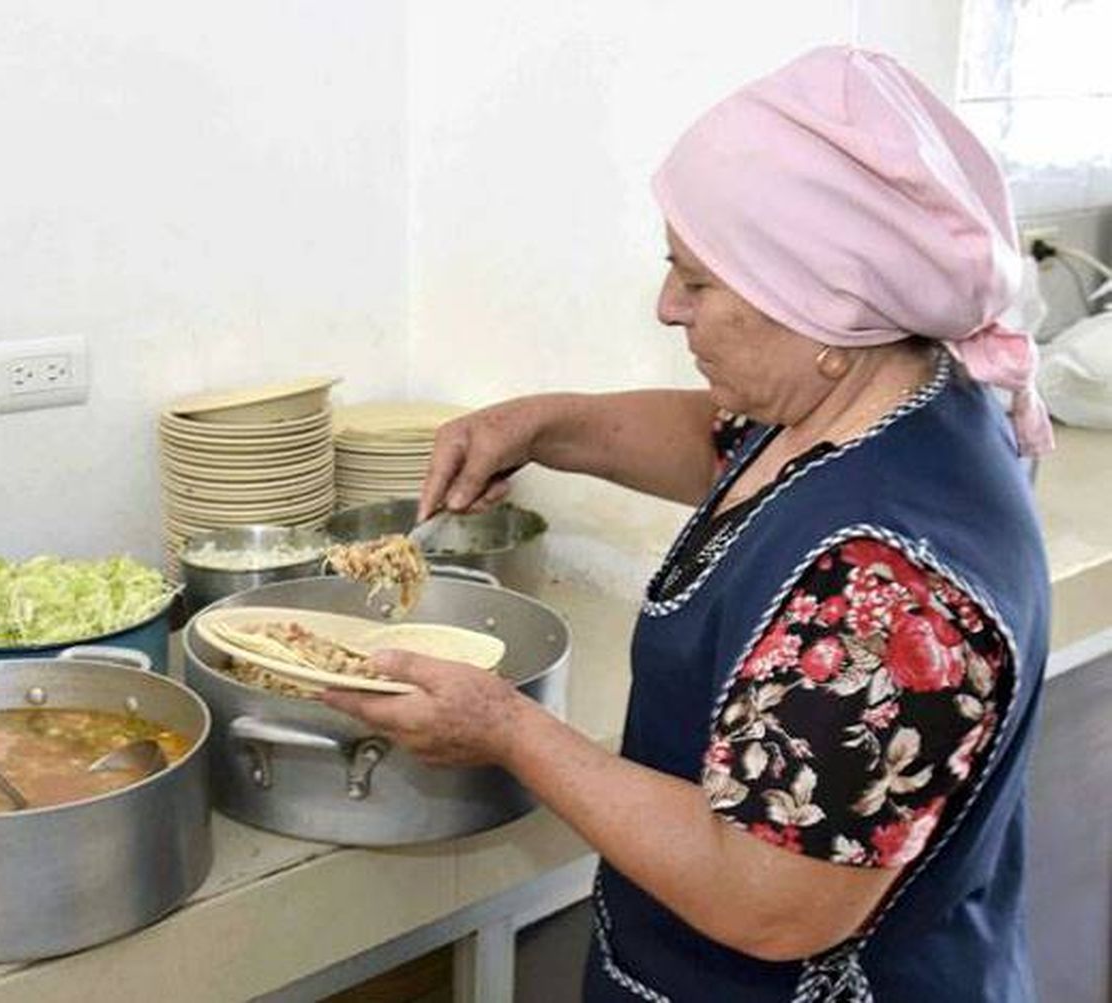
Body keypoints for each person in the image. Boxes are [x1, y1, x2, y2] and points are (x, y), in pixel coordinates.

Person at [322, 46, 1052, 1002]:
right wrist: (541, 423)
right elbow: (736, 455)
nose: (668, 308)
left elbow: (771, 898)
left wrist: (506, 727)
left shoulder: (889, 595)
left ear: (827, 306)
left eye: (697, 282)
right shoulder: (886, 397)